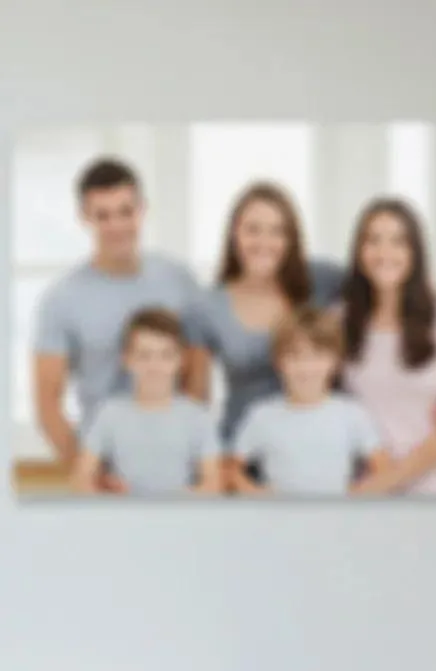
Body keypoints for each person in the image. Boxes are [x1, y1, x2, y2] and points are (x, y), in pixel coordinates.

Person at [33, 158, 201, 485]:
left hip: (174, 468)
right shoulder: (61, 299)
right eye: (103, 215)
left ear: (142, 209)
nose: (117, 226)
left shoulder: (179, 281)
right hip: (102, 467)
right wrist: (90, 473)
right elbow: (47, 405)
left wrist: (192, 454)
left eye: (126, 211)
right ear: (84, 217)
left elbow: (195, 376)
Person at [329, 197, 436, 497]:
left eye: (398, 241)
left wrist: (386, 481)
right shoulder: (338, 320)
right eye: (373, 240)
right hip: (369, 494)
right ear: (359, 250)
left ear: (415, 252)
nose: (384, 252)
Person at [183, 181, 345, 452]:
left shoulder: (322, 281)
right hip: (241, 452)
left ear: (291, 239)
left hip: (315, 449)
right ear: (234, 234)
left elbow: (378, 284)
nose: (264, 242)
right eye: (253, 230)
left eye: (277, 232)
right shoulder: (207, 307)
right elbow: (196, 401)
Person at [227, 306, 390, 497]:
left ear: (335, 361)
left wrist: (356, 495)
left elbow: (382, 468)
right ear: (278, 361)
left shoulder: (352, 414)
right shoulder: (262, 415)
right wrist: (254, 492)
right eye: (294, 357)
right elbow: (231, 469)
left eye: (317, 356)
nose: (305, 367)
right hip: (279, 513)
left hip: (336, 512)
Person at [72, 308, 220, 496]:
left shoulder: (198, 417)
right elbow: (81, 479)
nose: (154, 366)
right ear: (127, 359)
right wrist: (105, 493)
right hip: (124, 512)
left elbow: (213, 485)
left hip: (180, 512)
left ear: (181, 359)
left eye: (166, 355)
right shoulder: (109, 413)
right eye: (144, 355)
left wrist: (174, 500)